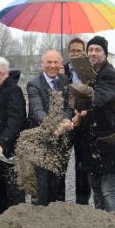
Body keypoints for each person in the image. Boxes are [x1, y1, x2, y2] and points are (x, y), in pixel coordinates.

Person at [74, 36, 115, 213]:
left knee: (108, 190)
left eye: (97, 50)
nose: (93, 53)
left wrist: (82, 104)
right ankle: (102, 225)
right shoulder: (89, 75)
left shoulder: (109, 75)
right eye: (90, 50)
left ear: (105, 54)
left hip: (110, 140)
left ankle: (114, 225)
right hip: (93, 142)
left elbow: (98, 98)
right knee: (97, 189)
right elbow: (81, 100)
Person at [27, 50, 75, 206]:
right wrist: (53, 125)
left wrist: (67, 119)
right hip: (41, 141)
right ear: (42, 64)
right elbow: (37, 110)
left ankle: (57, 218)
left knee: (59, 181)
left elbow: (69, 106)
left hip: (61, 143)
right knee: (41, 184)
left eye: (56, 62)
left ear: (60, 64)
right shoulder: (34, 84)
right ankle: (40, 219)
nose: (52, 66)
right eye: (49, 62)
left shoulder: (65, 80)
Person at [0, 56, 26, 215]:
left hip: (11, 150)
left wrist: (2, 143)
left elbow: (16, 120)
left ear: (6, 74)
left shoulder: (14, 91)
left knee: (14, 192)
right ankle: (1, 223)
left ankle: (17, 227)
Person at [63, 37, 92, 206]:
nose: (76, 53)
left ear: (84, 52)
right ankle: (59, 202)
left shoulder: (89, 72)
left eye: (79, 50)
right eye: (73, 50)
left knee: (82, 166)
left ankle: (82, 202)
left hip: (84, 123)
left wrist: (81, 114)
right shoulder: (62, 70)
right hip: (66, 122)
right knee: (60, 162)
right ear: (68, 53)